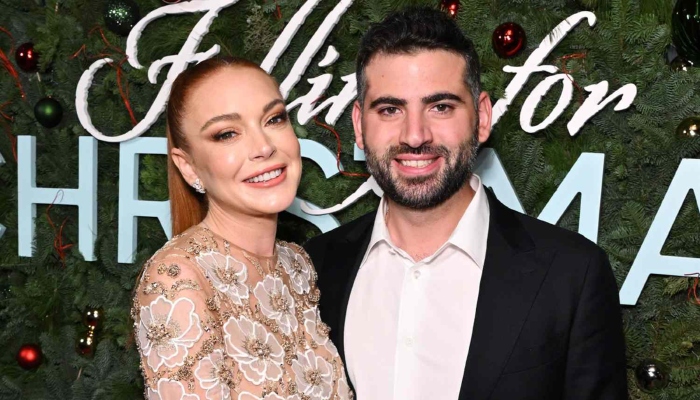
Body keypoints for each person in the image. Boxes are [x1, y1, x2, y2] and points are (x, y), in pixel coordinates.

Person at [304, 7, 627, 400]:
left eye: (440, 106)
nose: (415, 136)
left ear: (482, 117)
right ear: (359, 125)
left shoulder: (572, 275)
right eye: (390, 109)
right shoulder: (313, 269)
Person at [132, 57, 352, 400]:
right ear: (188, 167)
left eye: (274, 119)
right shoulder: (177, 280)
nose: (264, 147)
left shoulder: (297, 265)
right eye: (227, 134)